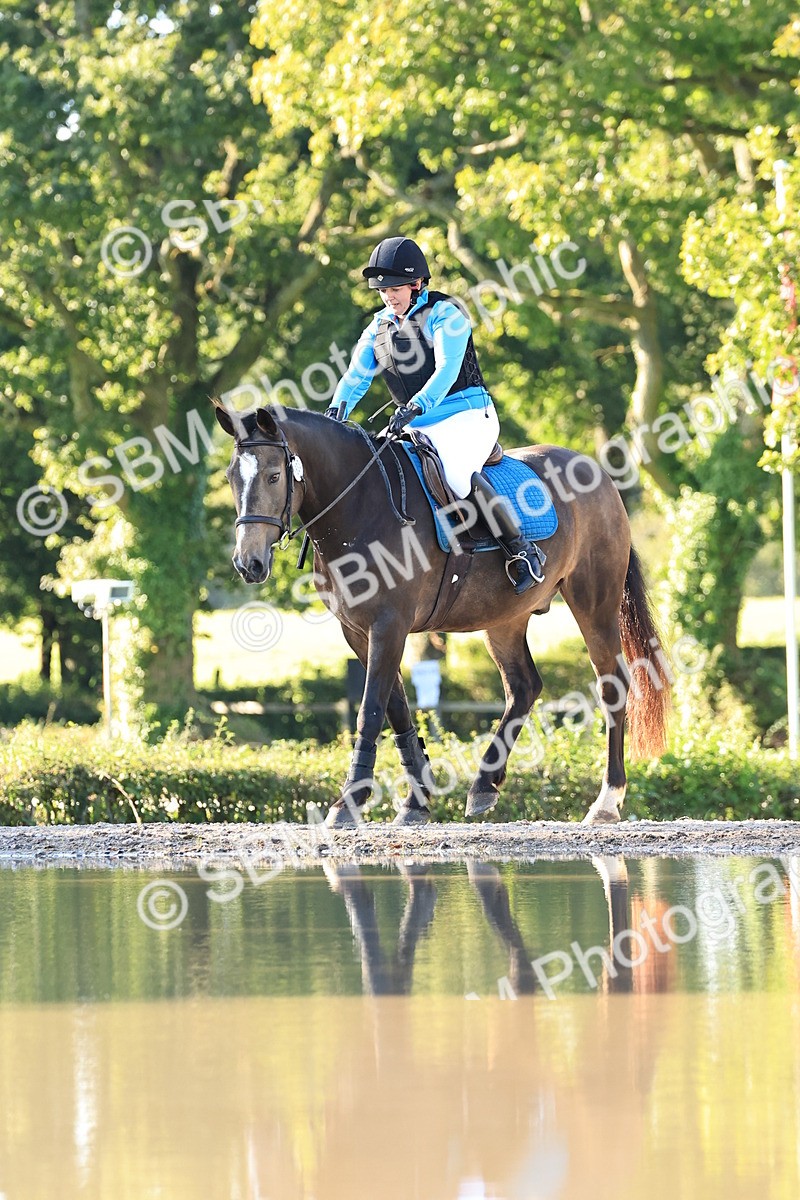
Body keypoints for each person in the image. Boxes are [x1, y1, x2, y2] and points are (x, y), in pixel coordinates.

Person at [327, 236, 543, 594]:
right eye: (383, 291)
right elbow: (356, 377)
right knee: (374, 469)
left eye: (395, 289)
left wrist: (415, 406)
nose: (389, 297)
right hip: (415, 423)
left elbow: (445, 370)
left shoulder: (446, 314)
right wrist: (337, 410)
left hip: (468, 415)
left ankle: (521, 551)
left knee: (456, 475)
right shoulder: (378, 327)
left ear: (417, 284)